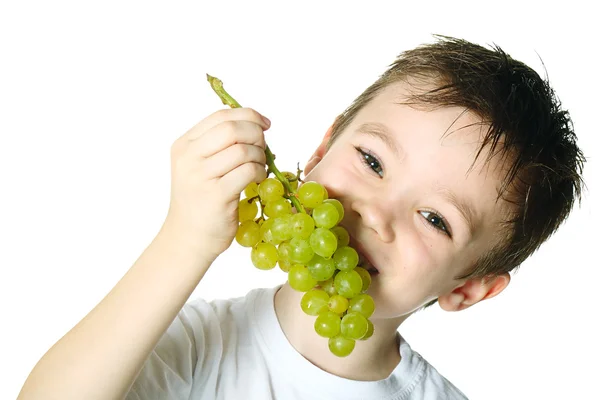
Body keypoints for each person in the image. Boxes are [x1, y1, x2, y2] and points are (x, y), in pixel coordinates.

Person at [17, 35, 585, 400]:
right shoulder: (193, 344)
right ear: (319, 153)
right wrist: (184, 241)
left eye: (435, 219)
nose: (374, 213)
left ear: (469, 288)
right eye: (371, 160)